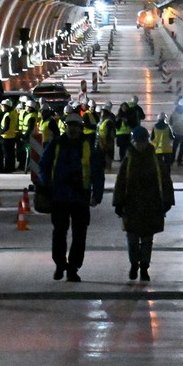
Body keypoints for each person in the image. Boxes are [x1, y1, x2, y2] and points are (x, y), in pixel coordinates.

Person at [38, 114, 105, 282]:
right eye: (70, 125)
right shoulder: (56, 144)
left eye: (75, 125)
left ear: (80, 127)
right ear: (65, 126)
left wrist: (97, 194)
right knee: (59, 233)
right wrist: (47, 184)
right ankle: (60, 264)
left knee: (79, 235)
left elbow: (97, 171)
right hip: (59, 196)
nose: (72, 128)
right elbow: (44, 166)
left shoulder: (88, 146)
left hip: (80, 197)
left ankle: (73, 268)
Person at [113, 126, 175, 282]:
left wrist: (167, 201)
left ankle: (144, 267)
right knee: (133, 239)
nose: (139, 145)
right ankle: (134, 264)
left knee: (147, 240)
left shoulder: (155, 160)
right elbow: (120, 183)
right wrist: (118, 203)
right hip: (132, 206)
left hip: (151, 206)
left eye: (141, 142)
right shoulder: (128, 161)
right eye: (137, 142)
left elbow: (165, 181)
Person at [169, 98, 183, 166]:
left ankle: (172, 160)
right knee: (182, 148)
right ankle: (179, 161)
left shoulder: (174, 113)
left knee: (174, 147)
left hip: (176, 132)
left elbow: (170, 122)